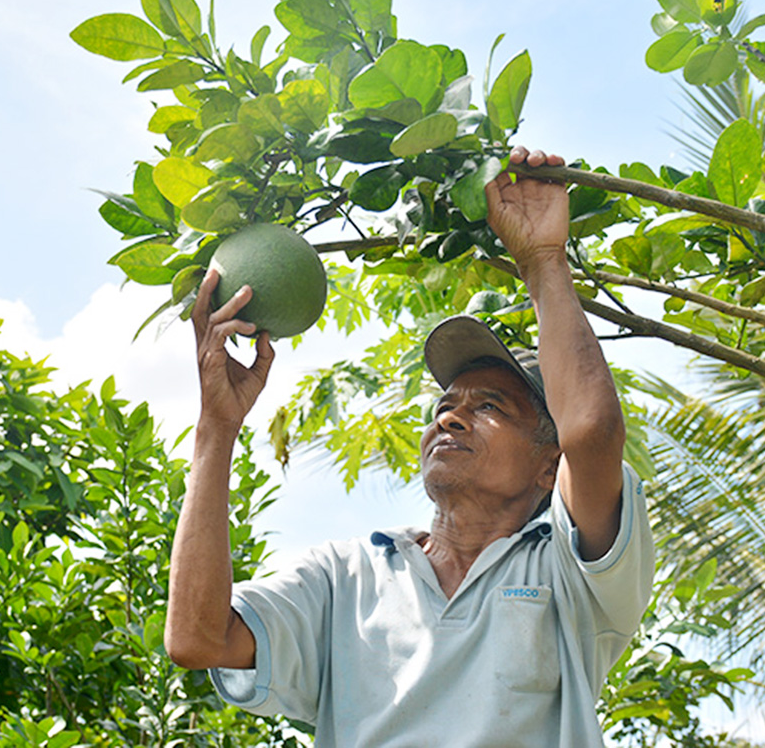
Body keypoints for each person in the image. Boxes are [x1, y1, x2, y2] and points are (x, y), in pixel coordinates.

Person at [165, 146, 654, 747]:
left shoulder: (571, 575)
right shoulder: (347, 576)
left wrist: (544, 260)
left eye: (490, 407)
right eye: (444, 406)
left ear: (548, 469)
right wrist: (217, 427)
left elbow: (592, 432)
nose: (450, 419)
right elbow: (197, 638)